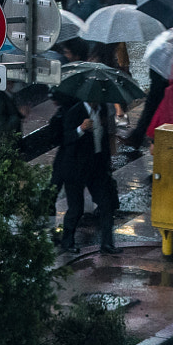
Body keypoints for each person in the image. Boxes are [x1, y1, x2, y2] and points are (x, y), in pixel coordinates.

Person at [54, 90, 118, 254]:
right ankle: (67, 242)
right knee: (76, 208)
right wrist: (80, 129)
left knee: (105, 204)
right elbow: (66, 138)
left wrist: (106, 162)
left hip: (96, 167)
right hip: (75, 168)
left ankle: (107, 243)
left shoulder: (102, 110)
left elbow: (104, 139)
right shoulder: (75, 112)